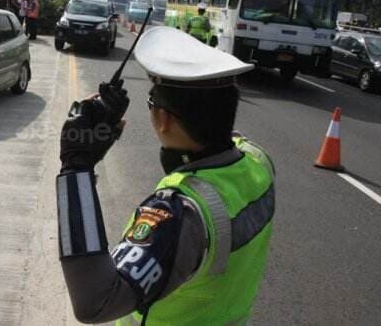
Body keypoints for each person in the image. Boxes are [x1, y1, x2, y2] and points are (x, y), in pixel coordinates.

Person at [56, 27, 275, 325]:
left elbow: (95, 302)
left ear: (163, 118)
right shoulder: (258, 161)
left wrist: (76, 167)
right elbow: (222, 137)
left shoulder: (179, 215)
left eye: (152, 105)